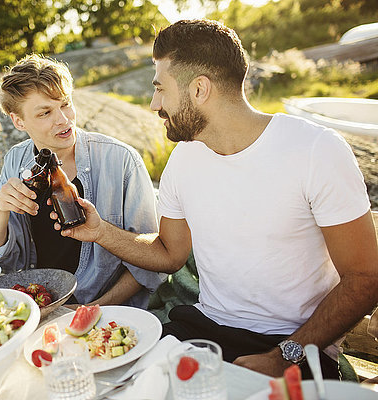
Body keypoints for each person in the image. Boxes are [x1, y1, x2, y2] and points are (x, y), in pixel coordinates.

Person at [54, 19, 378, 379]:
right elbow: (169, 254)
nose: (153, 103)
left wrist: (284, 356)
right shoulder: (185, 158)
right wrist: (99, 231)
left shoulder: (317, 150)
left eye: (160, 89)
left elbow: (364, 277)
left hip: (294, 343)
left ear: (199, 89)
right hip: (203, 329)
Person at [0, 54, 162, 309]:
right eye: (45, 113)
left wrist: (89, 309)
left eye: (66, 104)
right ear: (18, 121)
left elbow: (148, 263)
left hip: (108, 311)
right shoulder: (15, 159)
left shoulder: (121, 160)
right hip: (36, 305)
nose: (63, 119)